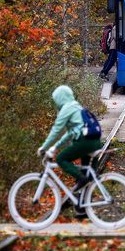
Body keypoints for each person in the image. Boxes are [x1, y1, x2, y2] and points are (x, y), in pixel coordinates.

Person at [38, 85, 102, 215]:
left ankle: (81, 181)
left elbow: (56, 129)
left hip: (85, 142)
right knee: (85, 175)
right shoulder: (77, 107)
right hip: (94, 141)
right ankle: (82, 207)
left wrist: (44, 147)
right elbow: (69, 134)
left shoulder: (67, 108)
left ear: (60, 98)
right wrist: (55, 147)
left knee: (61, 159)